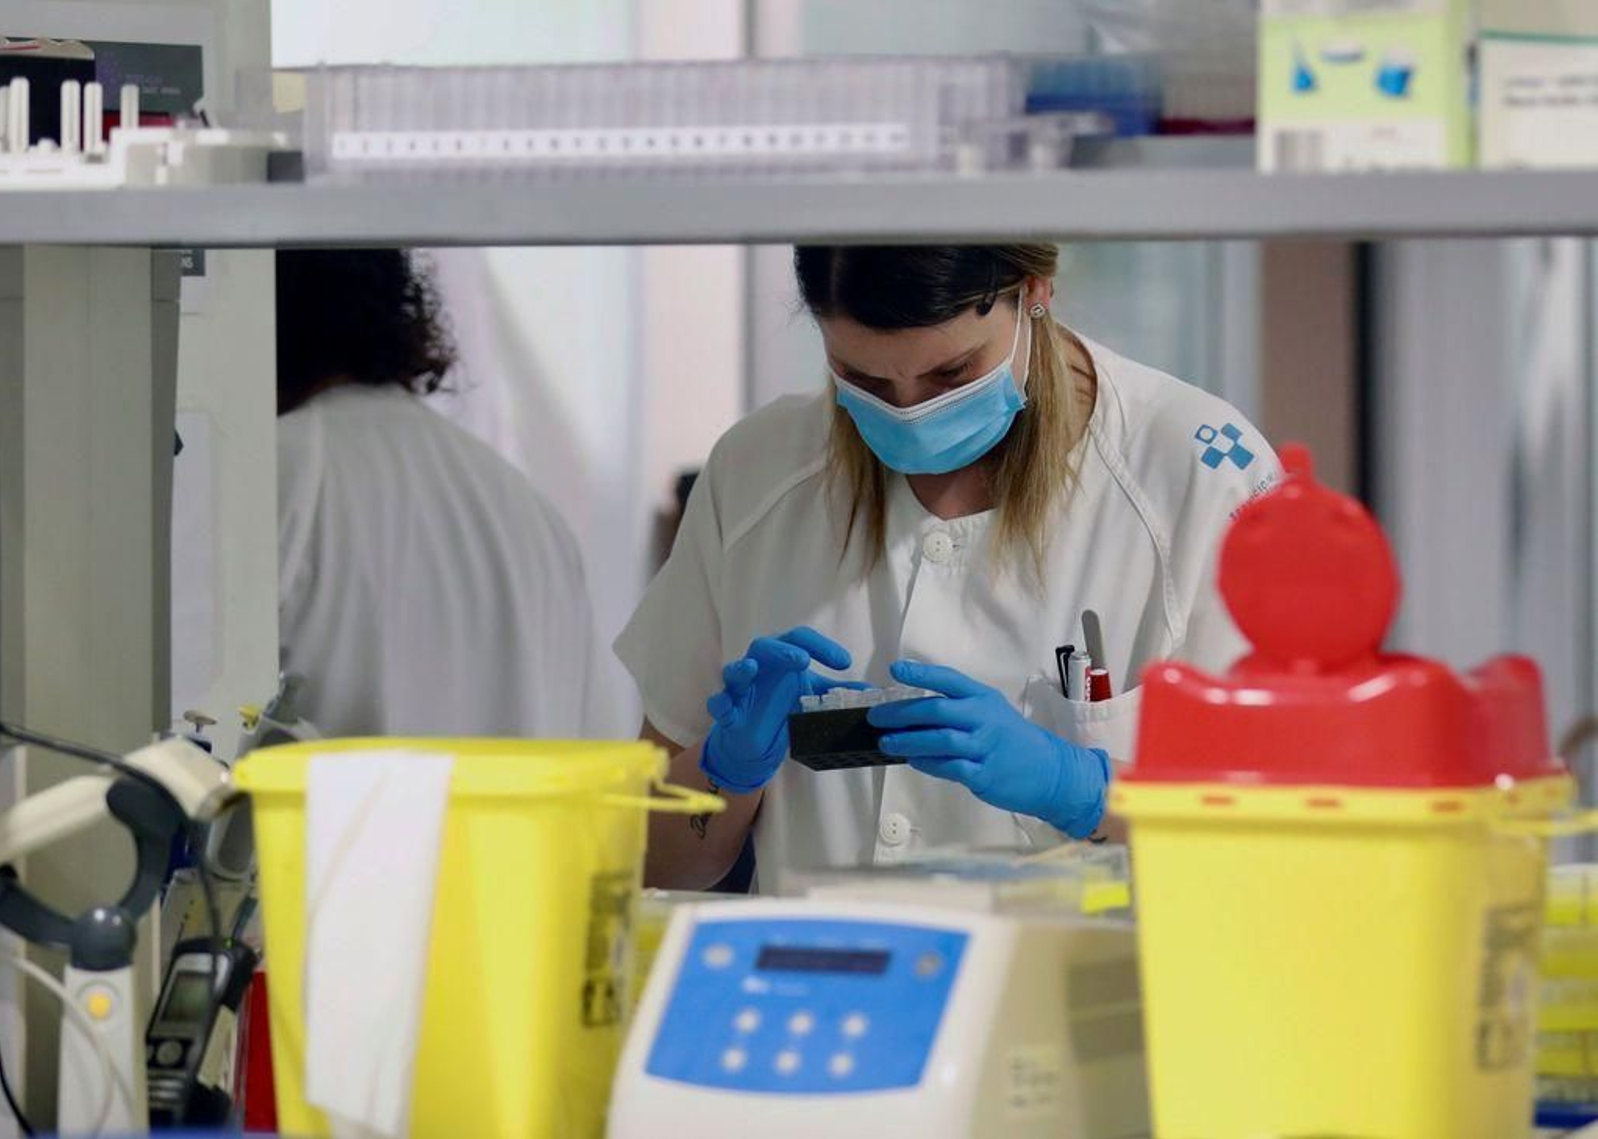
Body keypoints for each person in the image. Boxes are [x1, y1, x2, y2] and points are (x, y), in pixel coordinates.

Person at [617, 245, 1280, 891]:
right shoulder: (756, 471)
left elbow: (1271, 848)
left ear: (1036, 293)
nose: (909, 412)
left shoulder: (1200, 471)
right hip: (824, 978)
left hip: (1076, 993)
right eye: (865, 380)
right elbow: (653, 864)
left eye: (952, 374)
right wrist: (722, 774)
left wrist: (1076, 787)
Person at [275, 249, 612, 738]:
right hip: (529, 816)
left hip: (333, 817)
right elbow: (596, 744)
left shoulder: (282, 472)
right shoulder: (530, 512)